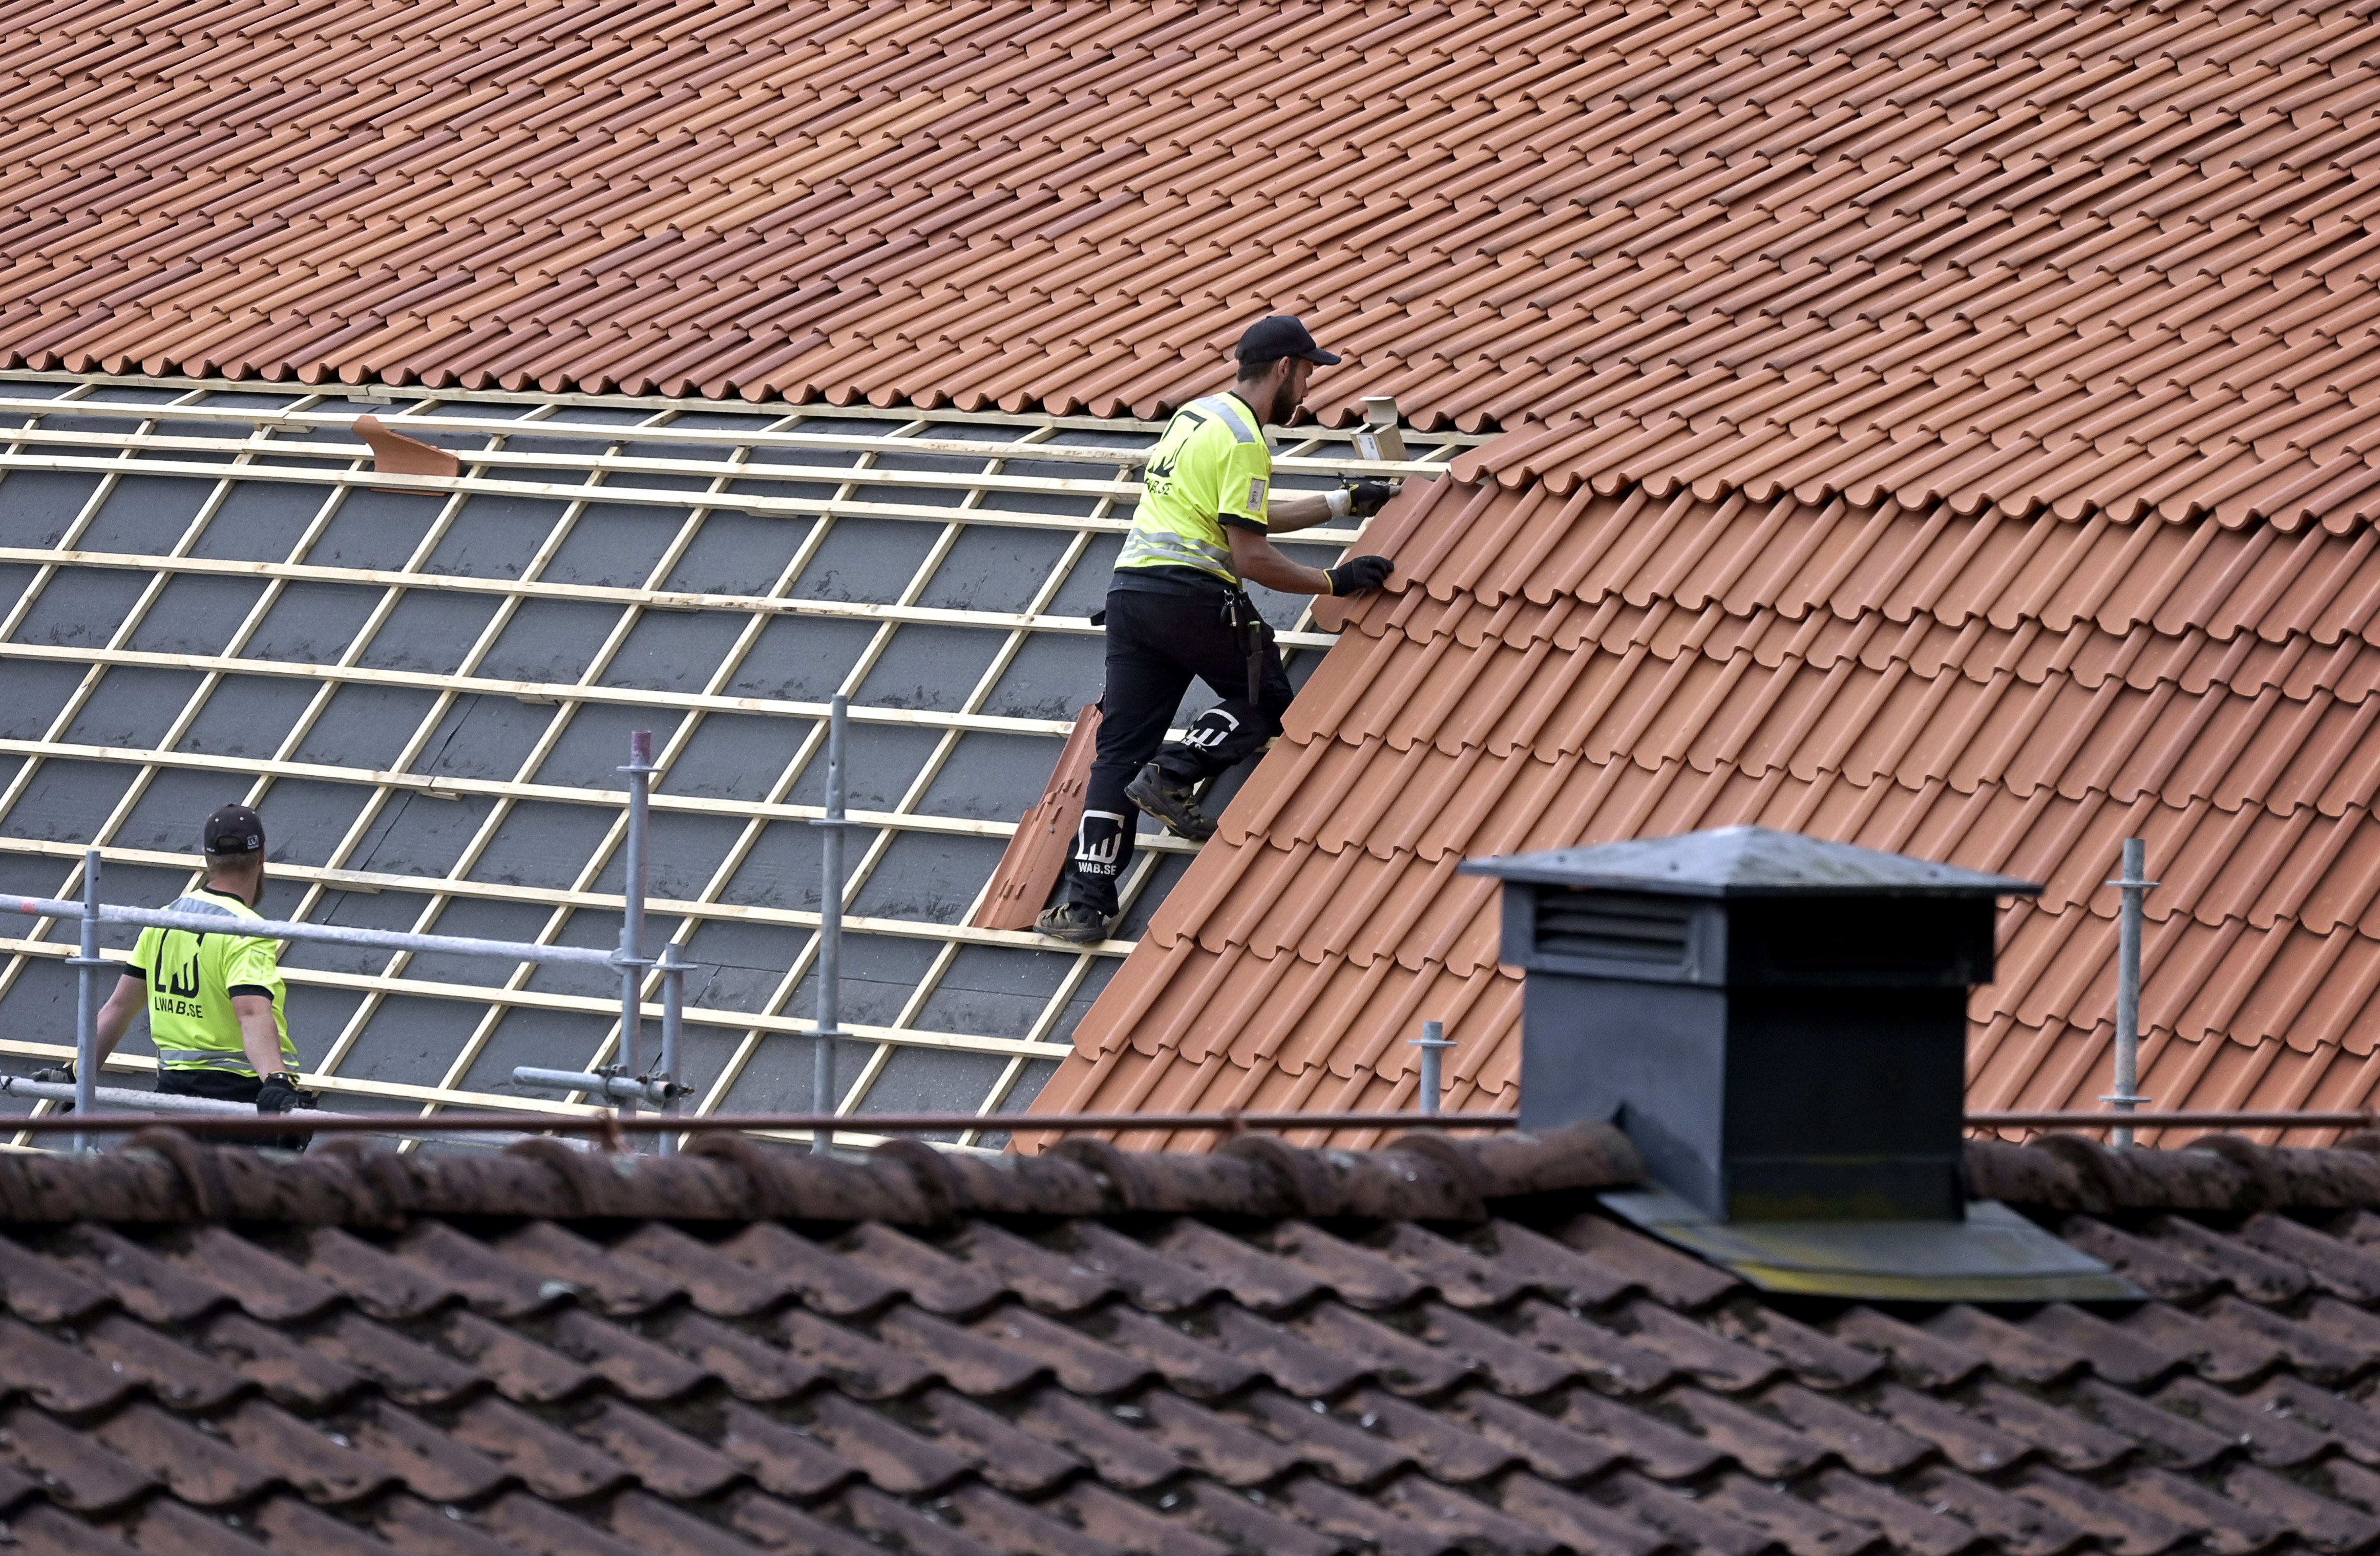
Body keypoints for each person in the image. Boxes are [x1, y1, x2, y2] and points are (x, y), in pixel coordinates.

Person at [1037, 315, 1400, 946]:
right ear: (1284, 368)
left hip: (1131, 596)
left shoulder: (1198, 418)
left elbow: (1243, 521)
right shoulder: (1246, 442)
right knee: (1269, 702)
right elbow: (1250, 558)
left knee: (1118, 748)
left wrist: (1343, 503)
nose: (1311, 386)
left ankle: (1087, 906)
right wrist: (1335, 583)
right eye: (1309, 371)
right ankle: (1175, 774)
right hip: (1193, 596)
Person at [62, 803, 313, 1146]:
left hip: (173, 1099)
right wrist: (277, 1079)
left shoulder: (165, 920)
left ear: (206, 857)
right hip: (238, 1098)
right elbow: (252, 1011)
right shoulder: (245, 929)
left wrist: (78, 1072)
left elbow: (119, 1007)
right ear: (261, 855)